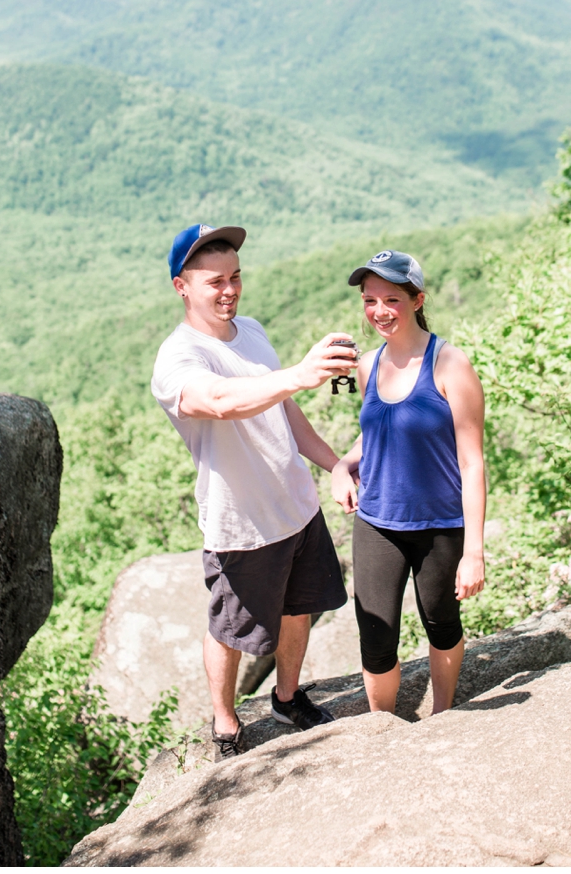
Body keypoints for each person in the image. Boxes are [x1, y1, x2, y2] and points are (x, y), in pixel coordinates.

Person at [150, 224, 358, 760]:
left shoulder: (253, 330)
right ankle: (225, 722)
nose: (230, 290)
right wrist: (299, 373)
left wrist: (334, 464)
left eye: (236, 277)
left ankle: (288, 697)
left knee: (299, 609)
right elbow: (217, 401)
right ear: (182, 286)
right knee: (231, 630)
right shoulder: (178, 359)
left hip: (297, 507)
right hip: (240, 524)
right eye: (215, 281)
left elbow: (286, 413)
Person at [329, 250, 487, 717]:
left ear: (418, 300)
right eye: (369, 299)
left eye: (391, 299)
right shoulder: (367, 366)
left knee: (442, 623)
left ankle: (441, 716)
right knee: (376, 639)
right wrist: (343, 465)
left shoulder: (450, 365)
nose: (379, 311)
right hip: (377, 521)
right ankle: (382, 733)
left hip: (440, 524)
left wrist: (474, 551)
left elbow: (472, 462)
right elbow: (376, 432)